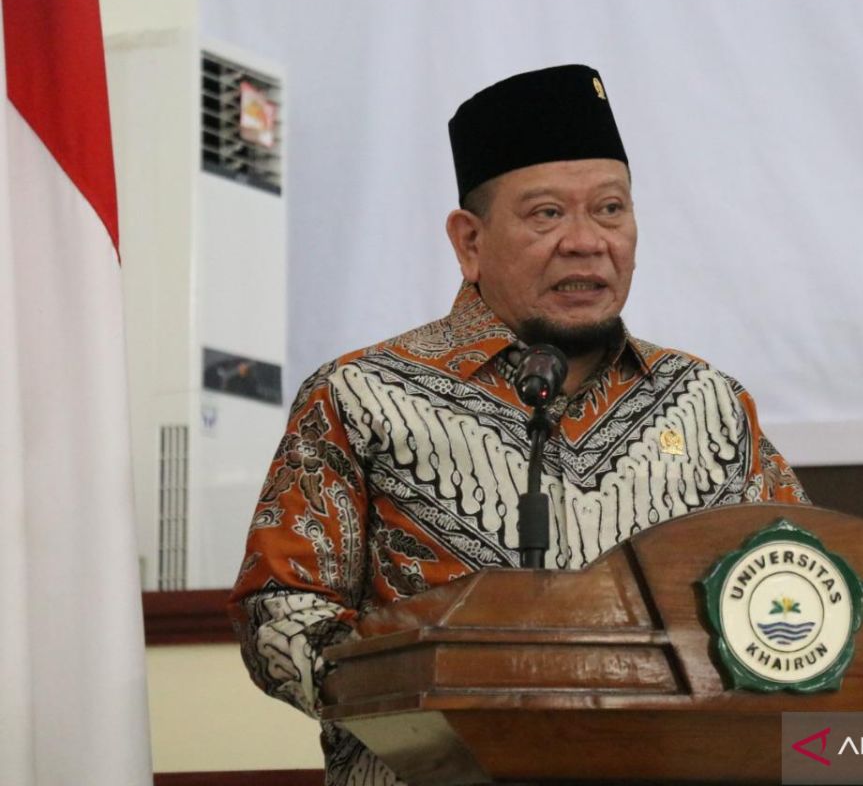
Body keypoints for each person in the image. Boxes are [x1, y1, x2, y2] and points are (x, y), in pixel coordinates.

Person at [228, 64, 810, 786]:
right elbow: (280, 615)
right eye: (545, 214)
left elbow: (801, 585)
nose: (586, 241)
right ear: (469, 241)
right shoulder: (362, 396)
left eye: (610, 210)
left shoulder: (709, 404)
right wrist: (444, 694)